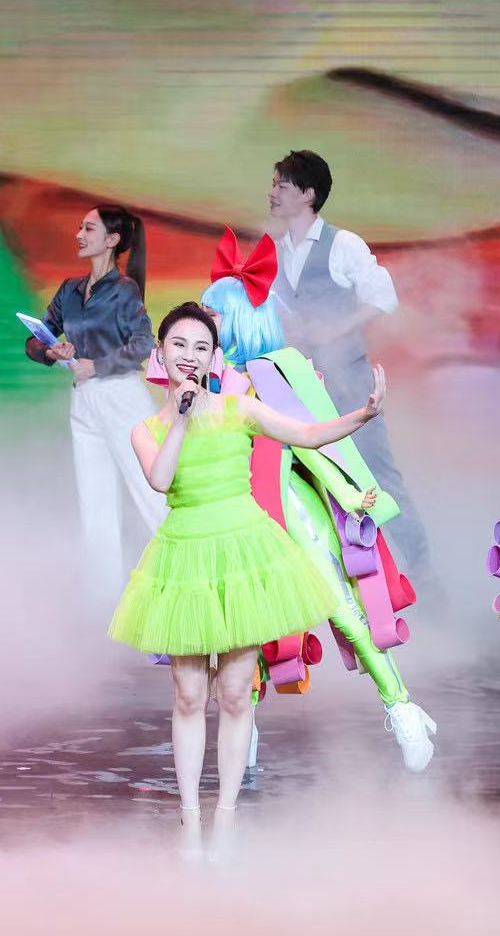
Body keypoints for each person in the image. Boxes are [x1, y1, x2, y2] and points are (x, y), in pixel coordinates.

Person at [110, 303, 384, 857]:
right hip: (186, 559)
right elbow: (161, 479)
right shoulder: (146, 429)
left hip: (243, 555)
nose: (190, 356)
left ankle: (227, 821)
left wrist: (363, 414)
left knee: (236, 694)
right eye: (179, 345)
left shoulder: (241, 408)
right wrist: (182, 418)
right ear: (160, 353)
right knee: (189, 694)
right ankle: (190, 822)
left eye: (201, 347)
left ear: (215, 358)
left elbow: (307, 434)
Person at [197, 229, 435, 772]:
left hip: (290, 509)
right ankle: (243, 729)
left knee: (341, 607)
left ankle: (402, 707)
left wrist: (352, 489)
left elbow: (314, 439)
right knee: (242, 627)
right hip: (231, 516)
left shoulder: (278, 374)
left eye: (213, 315)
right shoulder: (205, 389)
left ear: (239, 321)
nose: (204, 324)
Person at [264, 151, 429, 577]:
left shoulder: (342, 244)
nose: (272, 192)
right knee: (309, 480)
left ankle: (422, 577)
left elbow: (383, 297)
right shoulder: (273, 250)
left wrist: (335, 328)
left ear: (308, 194)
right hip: (297, 385)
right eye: (273, 184)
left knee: (379, 477)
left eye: (282, 185)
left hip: (348, 380)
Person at [26, 205, 165, 596]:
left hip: (122, 397)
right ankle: (105, 602)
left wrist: (97, 365)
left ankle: (187, 581)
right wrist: (50, 351)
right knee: (95, 508)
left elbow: (144, 344)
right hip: (84, 401)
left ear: (112, 240)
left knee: (151, 496)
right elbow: (35, 340)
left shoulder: (125, 291)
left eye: (88, 228)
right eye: (80, 227)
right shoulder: (69, 290)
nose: (79, 234)